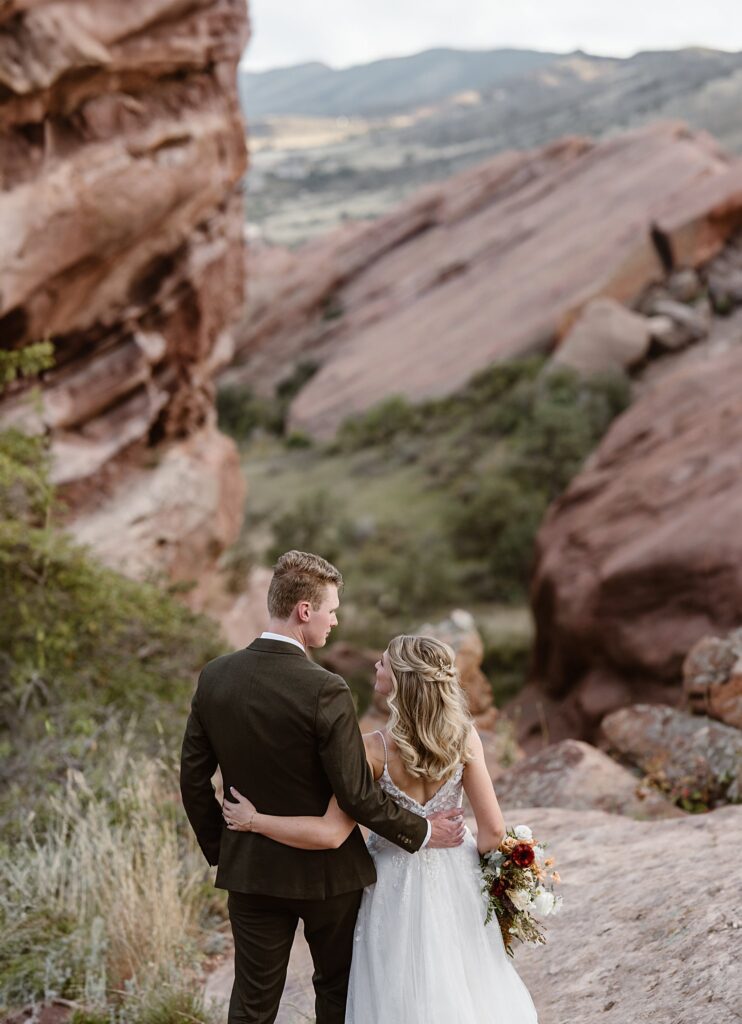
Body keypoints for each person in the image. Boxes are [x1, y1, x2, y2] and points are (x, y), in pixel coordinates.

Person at [180, 551, 465, 1024]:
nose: (334, 620)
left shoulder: (215, 677)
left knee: (251, 1006)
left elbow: (193, 779)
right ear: (304, 611)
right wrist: (423, 830)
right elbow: (355, 794)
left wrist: (226, 849)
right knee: (336, 996)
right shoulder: (326, 689)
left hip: (250, 873)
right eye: (331, 610)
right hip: (329, 878)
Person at [224, 633, 539, 1023]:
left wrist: (254, 820)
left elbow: (331, 833)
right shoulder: (464, 736)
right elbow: (492, 832)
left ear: (401, 679)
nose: (376, 666)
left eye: (384, 663)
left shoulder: (372, 749)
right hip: (457, 879)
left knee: (395, 991)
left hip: (393, 883)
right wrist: (478, 873)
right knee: (464, 983)